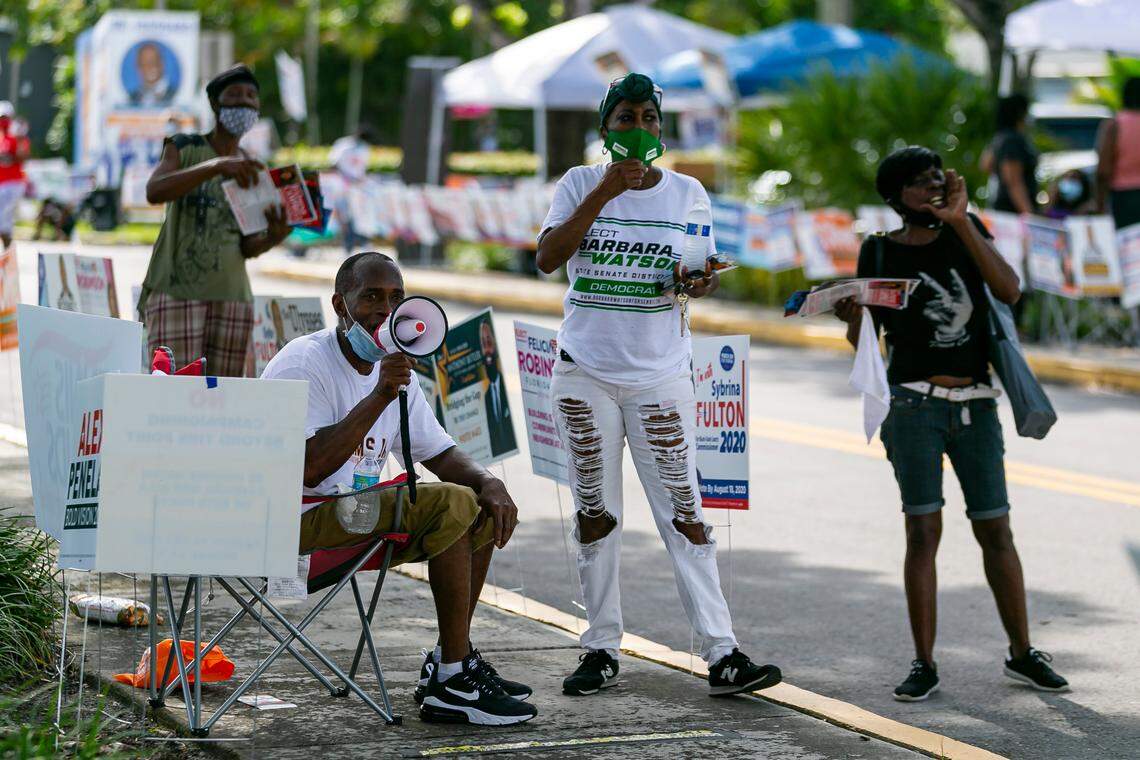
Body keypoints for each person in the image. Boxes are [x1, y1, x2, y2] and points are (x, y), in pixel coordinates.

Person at [536, 72, 781, 699]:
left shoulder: (688, 193)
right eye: (626, 118)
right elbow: (547, 257)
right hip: (584, 373)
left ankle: (723, 653)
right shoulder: (578, 183)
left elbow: (699, 267)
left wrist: (701, 281)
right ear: (605, 128)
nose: (639, 129)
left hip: (661, 376)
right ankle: (599, 645)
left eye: (649, 118)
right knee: (596, 513)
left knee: (685, 512)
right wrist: (607, 191)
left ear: (661, 129)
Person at [261, 251, 537, 726]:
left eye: (395, 298)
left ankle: (453, 664)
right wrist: (379, 396)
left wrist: (491, 483)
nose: (385, 311)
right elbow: (308, 469)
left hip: (354, 515)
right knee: (450, 501)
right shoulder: (304, 362)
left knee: (479, 503)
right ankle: (453, 681)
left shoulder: (397, 371)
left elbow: (441, 452)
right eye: (370, 297)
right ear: (339, 305)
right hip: (297, 521)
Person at [834, 146, 1069, 702]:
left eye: (937, 175)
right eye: (919, 182)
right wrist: (854, 317)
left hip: (977, 406)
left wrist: (962, 223)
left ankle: (1022, 653)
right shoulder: (877, 250)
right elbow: (866, 342)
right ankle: (924, 663)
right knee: (923, 531)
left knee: (996, 529)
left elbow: (1010, 290)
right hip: (913, 405)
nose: (934, 186)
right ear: (895, 198)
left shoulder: (967, 229)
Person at [139, 64, 290, 377]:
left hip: (233, 298)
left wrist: (275, 235)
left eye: (251, 97)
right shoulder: (186, 147)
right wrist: (217, 166)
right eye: (234, 95)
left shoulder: (254, 167)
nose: (244, 103)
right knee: (170, 391)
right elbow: (155, 191)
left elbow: (247, 245)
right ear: (215, 104)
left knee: (222, 398)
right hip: (176, 292)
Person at [1096, 77, 1140, 229]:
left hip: (1124, 197)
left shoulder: (1115, 124)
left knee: (1126, 247)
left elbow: (1103, 170)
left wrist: (1099, 202)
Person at [985, 94, 1039, 216]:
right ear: (1020, 113)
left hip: (1004, 208)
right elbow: (1014, 181)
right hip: (1013, 213)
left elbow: (985, 164)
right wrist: (1029, 214)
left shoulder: (1000, 138)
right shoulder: (1012, 140)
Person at [328, 125, 375, 253]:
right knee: (346, 218)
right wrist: (348, 178)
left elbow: (362, 169)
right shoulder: (343, 145)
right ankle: (348, 246)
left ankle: (364, 242)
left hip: (358, 188)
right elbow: (333, 164)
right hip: (343, 186)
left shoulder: (365, 148)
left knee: (360, 216)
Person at [479, 318, 517, 458]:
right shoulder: (487, 395)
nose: (487, 347)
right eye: (483, 343)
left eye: (489, 340)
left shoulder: (506, 387)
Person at [0, 101, 30, 249]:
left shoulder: (17, 136)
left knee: (3, 222)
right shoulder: (1, 137)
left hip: (13, 184)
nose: (2, 121)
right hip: (2, 183)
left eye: (5, 117)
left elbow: (23, 156)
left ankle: (7, 257)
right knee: (4, 224)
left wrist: (18, 140)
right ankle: (7, 256)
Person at [129, 42, 174, 107]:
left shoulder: (174, 95)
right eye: (144, 64)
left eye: (153, 62)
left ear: (162, 64)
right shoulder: (132, 98)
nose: (149, 67)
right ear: (138, 67)